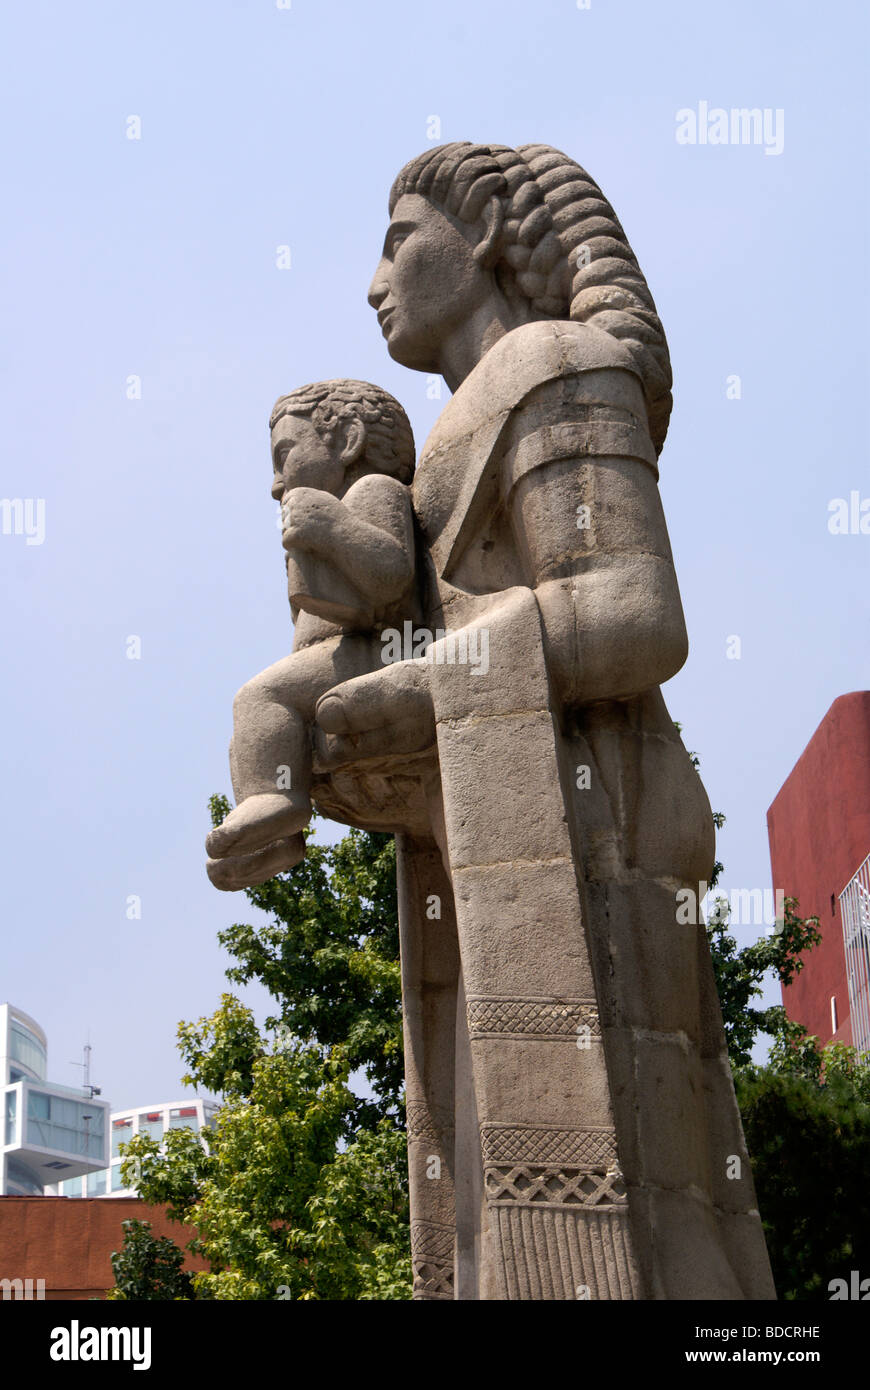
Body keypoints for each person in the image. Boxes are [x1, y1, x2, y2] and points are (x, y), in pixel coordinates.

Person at [306, 143, 777, 1300]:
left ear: (479, 239)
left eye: (397, 238)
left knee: (640, 1198)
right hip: (484, 829)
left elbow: (635, 612)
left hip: (597, 817)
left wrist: (428, 682)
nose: (372, 279)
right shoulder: (434, 453)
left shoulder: (560, 366)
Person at [206, 379, 416, 891]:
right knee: (248, 735)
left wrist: (332, 527)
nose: (277, 483)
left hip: (382, 651)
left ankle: (277, 800)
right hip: (342, 656)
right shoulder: (327, 514)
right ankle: (272, 837)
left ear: (347, 439)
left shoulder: (374, 492)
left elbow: (392, 576)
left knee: (261, 696)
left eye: (285, 456)